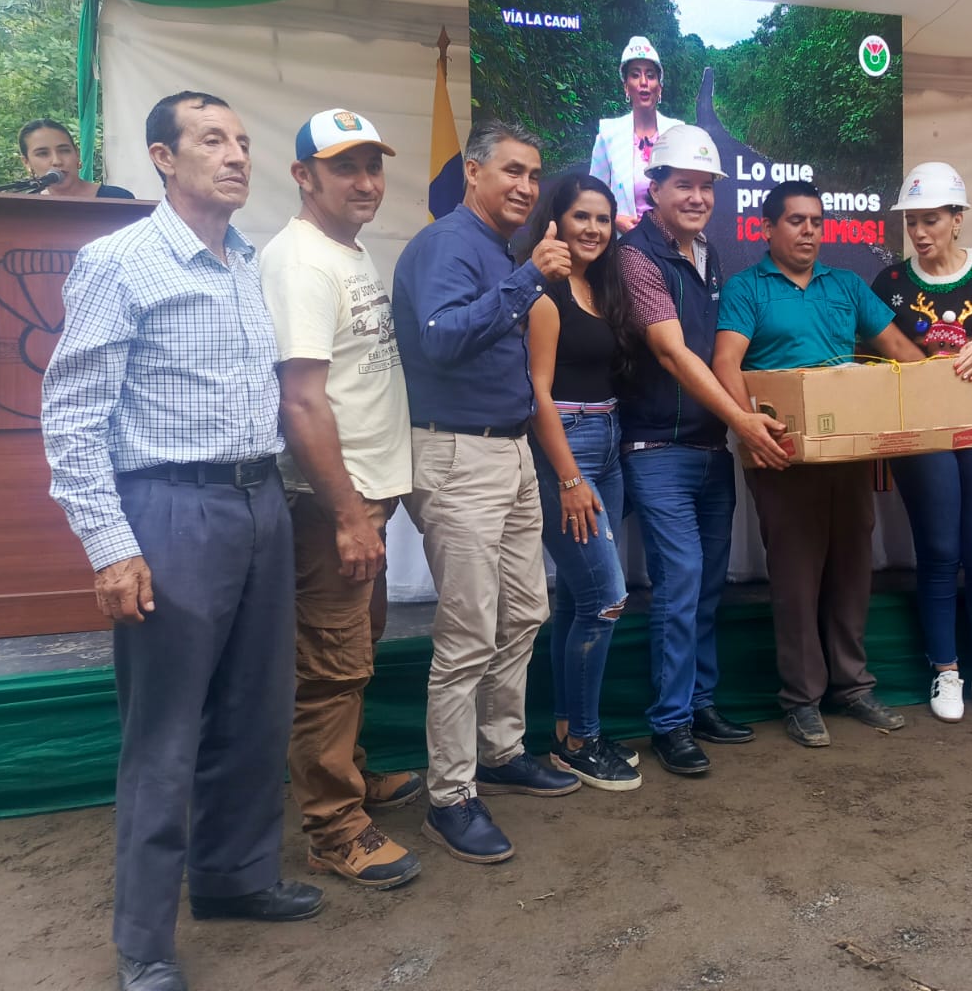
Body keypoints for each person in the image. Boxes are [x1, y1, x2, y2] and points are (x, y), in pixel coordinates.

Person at [41, 91, 320, 991]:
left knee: (255, 709)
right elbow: (72, 416)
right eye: (211, 140)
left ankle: (235, 878)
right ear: (163, 158)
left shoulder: (245, 260)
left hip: (259, 501)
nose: (236, 155)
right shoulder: (118, 262)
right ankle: (145, 942)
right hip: (170, 510)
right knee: (164, 734)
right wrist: (109, 545)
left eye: (241, 140)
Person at [392, 119, 580, 866]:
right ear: (473, 172)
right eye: (511, 171)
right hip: (457, 454)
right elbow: (440, 338)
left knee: (526, 609)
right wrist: (530, 277)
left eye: (534, 174)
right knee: (469, 632)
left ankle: (500, 752)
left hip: (508, 452)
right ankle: (450, 797)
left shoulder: (494, 249)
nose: (527, 187)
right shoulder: (447, 243)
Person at [259, 109, 422, 891]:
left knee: (355, 652)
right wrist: (350, 514)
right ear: (303, 176)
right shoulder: (299, 263)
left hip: (363, 499)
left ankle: (349, 775)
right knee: (330, 667)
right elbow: (301, 401)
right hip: (332, 504)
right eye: (344, 167)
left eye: (372, 165)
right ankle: (334, 828)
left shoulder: (345, 250)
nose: (365, 182)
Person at [714, 180, 935, 748]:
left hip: (848, 450)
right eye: (796, 221)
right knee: (795, 577)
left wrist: (940, 388)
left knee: (852, 570)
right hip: (782, 455)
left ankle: (852, 687)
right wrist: (748, 426)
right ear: (768, 228)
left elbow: (901, 351)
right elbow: (726, 363)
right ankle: (802, 699)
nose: (809, 231)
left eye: (816, 221)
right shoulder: (746, 288)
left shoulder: (847, 285)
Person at [616, 123, 788, 775]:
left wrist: (737, 423)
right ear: (655, 187)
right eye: (683, 184)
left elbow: (720, 354)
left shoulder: (710, 253)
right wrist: (743, 420)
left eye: (706, 186)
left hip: (709, 447)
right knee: (681, 579)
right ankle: (670, 722)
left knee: (708, 582)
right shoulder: (635, 257)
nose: (696, 197)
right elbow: (671, 353)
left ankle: (701, 702)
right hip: (656, 447)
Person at [871, 162, 972, 722]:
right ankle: (946, 670)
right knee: (938, 549)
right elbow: (875, 355)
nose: (919, 232)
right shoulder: (890, 283)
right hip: (925, 427)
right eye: (911, 221)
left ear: (958, 219)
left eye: (930, 219)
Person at [524, 173, 642, 792]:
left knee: (577, 597)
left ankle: (570, 731)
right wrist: (569, 477)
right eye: (581, 217)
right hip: (565, 449)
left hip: (608, 442)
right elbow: (537, 394)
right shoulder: (545, 294)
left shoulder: (600, 285)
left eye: (602, 218)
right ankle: (582, 743)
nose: (593, 229)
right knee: (606, 597)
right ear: (556, 221)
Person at [588, 36, 682, 230]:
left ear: (659, 87)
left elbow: (686, 190)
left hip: (670, 240)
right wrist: (615, 219)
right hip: (623, 241)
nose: (643, 82)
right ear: (626, 86)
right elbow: (591, 195)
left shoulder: (677, 132)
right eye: (635, 75)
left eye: (650, 75)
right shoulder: (608, 135)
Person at [18, 118, 134, 198]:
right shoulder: (26, 208)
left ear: (77, 154)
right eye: (43, 154)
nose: (57, 161)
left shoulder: (118, 198)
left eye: (64, 151)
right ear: (26, 162)